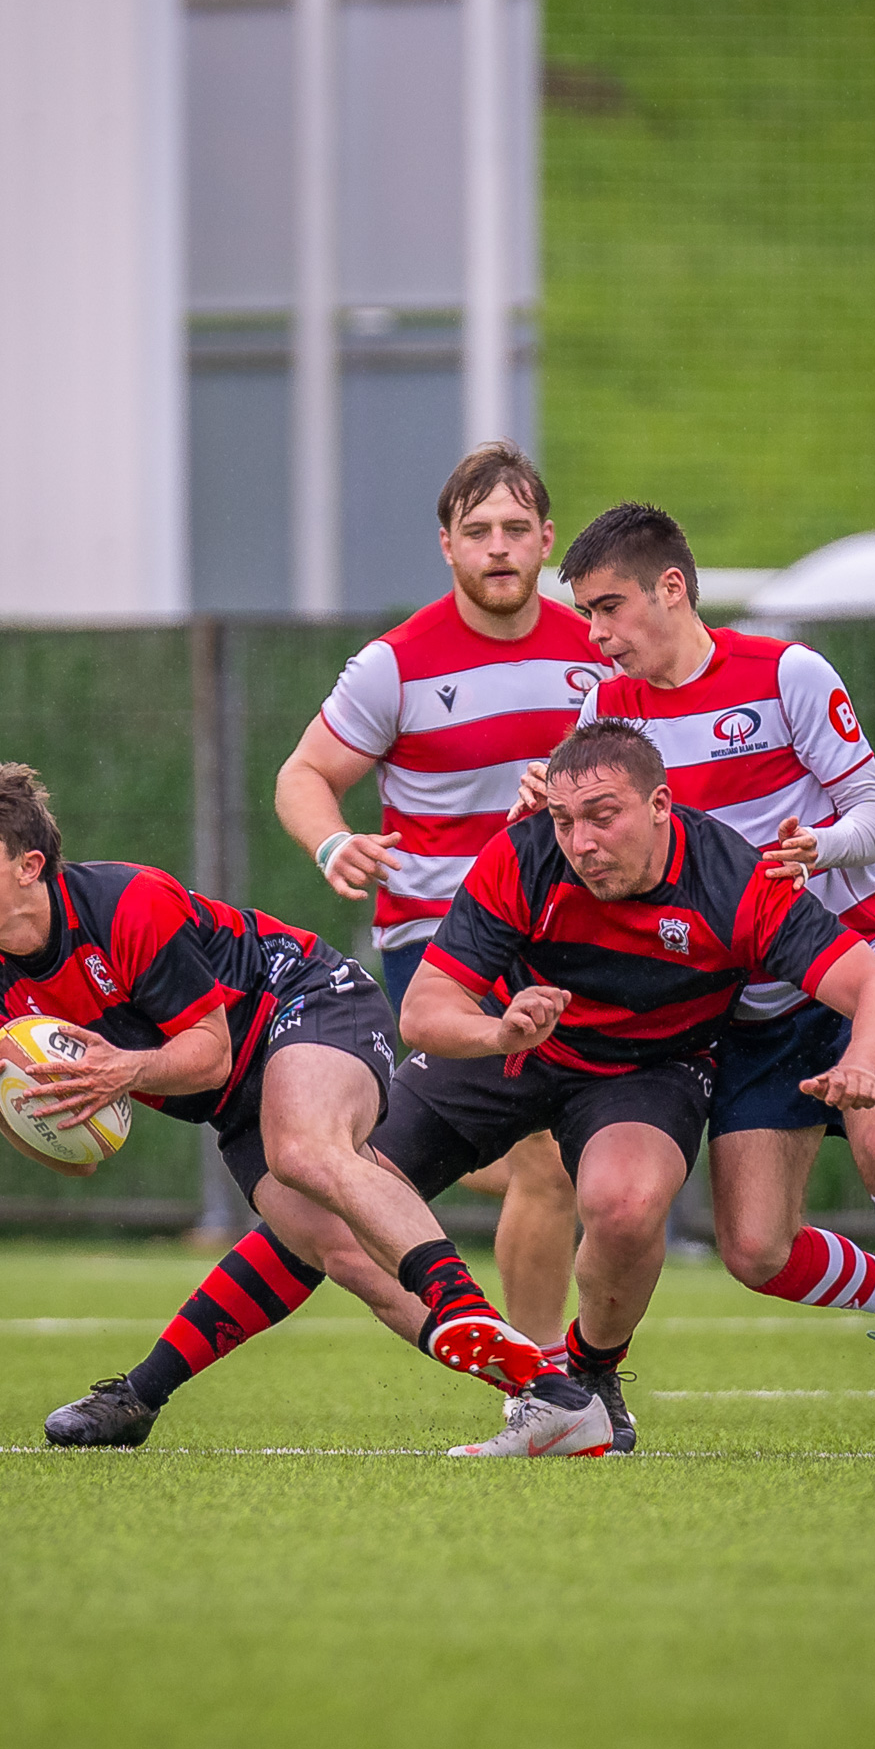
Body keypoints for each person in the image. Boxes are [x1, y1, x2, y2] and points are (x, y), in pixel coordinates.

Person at [0, 758, 612, 1458]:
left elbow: (209, 1054)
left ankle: (456, 1299)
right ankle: (555, 1397)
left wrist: (124, 1068)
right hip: (235, 1105)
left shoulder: (126, 904)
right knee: (343, 1253)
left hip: (308, 999)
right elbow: (79, 1161)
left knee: (302, 1150)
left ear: (29, 866)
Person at [513, 502, 875, 1461]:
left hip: (864, 959)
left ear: (671, 588)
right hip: (749, 1001)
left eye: (608, 607)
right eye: (586, 615)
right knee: (754, 1251)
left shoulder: (786, 673)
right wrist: (542, 805)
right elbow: (599, 844)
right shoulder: (607, 711)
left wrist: (820, 847)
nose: (596, 634)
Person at [372, 719, 875, 1456]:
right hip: (517, 1037)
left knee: (627, 1209)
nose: (581, 842)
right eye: (565, 821)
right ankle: (534, 1383)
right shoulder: (524, 854)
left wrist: (863, 1062)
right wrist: (499, 1031)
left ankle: (585, 1379)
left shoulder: (733, 879)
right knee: (337, 1185)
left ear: (660, 805)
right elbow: (422, 1011)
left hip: (648, 1067)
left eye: (603, 816)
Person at [274, 441, 611, 1359]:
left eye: (514, 528)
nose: (497, 546)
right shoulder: (395, 663)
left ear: (546, 539)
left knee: (553, 1160)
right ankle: (544, 1378)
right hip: (439, 944)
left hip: (563, 940)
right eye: (477, 530)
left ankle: (541, 1377)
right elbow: (303, 774)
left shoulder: (597, 652)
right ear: (446, 545)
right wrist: (332, 841)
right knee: (544, 1157)